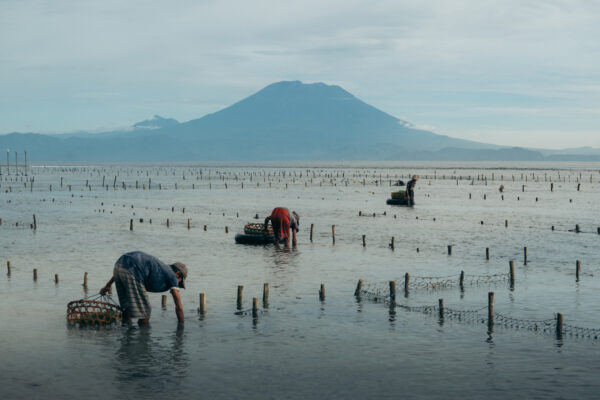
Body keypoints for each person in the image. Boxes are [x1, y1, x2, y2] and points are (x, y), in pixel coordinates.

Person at [100, 251, 187, 325]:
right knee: (146, 311)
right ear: (178, 273)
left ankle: (127, 330)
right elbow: (178, 306)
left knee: (127, 307)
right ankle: (141, 337)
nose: (178, 284)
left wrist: (108, 285)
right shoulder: (172, 276)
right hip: (133, 270)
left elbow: (125, 267)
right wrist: (181, 326)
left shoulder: (162, 268)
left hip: (119, 265)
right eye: (180, 282)